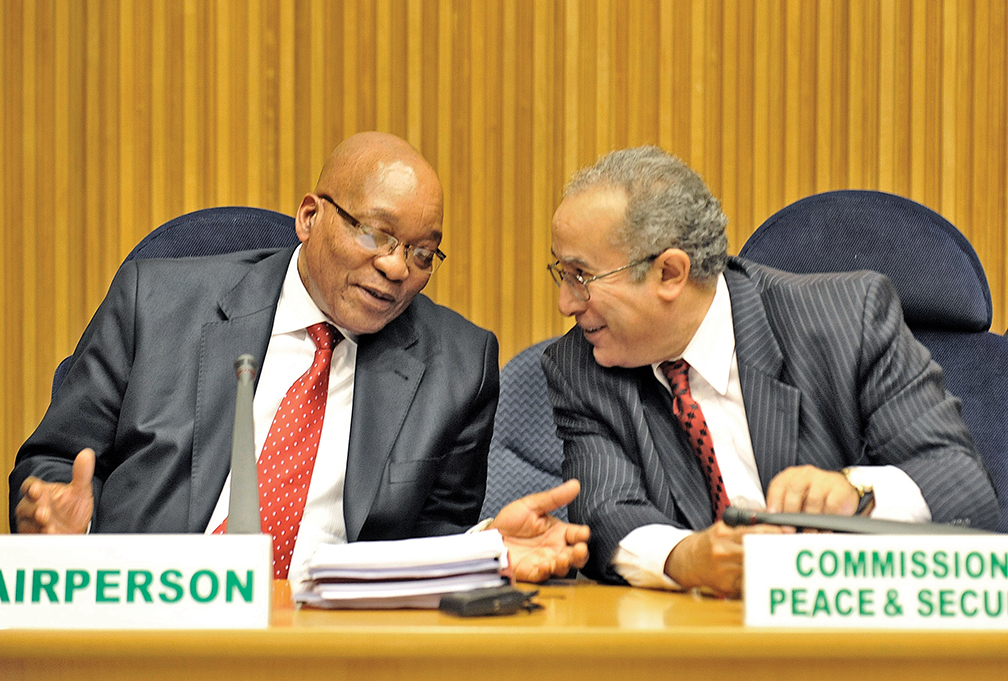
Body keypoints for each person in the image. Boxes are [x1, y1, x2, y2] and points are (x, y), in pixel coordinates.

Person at [11, 131, 589, 586]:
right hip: (148, 618)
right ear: (310, 217)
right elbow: (54, 464)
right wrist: (62, 522)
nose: (396, 268)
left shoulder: (459, 367)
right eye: (374, 233)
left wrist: (483, 546)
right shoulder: (155, 304)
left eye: (421, 253)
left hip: (327, 646)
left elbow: (431, 544)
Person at [541, 145, 998, 598]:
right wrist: (687, 558)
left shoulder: (848, 320)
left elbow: (962, 486)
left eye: (581, 276)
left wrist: (855, 491)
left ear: (670, 274)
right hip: (700, 641)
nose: (565, 304)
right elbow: (603, 513)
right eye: (562, 273)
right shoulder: (582, 367)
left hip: (853, 631)